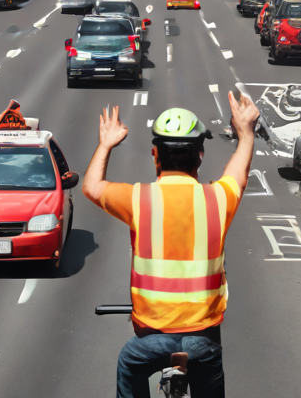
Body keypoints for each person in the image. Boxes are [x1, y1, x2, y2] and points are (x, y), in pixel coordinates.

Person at [83, 93, 260, 398]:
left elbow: (91, 186)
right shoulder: (218, 199)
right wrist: (246, 132)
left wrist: (106, 143)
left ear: (156, 155)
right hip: (202, 342)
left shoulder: (138, 199)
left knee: (129, 363)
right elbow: (239, 171)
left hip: (150, 339)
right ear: (200, 156)